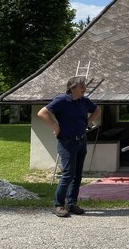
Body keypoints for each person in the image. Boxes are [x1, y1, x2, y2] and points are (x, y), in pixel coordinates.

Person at [38, 76, 101, 218]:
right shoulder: (61, 100)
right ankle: (58, 205)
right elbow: (42, 113)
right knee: (68, 174)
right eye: (82, 87)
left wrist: (89, 122)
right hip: (67, 142)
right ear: (72, 88)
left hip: (81, 141)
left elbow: (97, 110)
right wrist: (54, 125)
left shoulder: (84, 101)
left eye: (84, 86)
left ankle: (72, 203)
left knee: (77, 174)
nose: (85, 89)